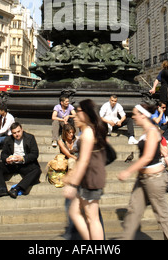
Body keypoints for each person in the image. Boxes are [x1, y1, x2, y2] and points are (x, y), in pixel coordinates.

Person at [118, 103, 168, 240]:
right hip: (143, 178)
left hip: (154, 179)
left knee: (162, 215)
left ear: (143, 115)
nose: (132, 117)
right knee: (133, 211)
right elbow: (159, 150)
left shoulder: (151, 131)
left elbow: (148, 157)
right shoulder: (147, 131)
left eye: (135, 114)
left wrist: (128, 171)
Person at [63, 99, 107, 240]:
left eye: (78, 112)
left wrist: (73, 183)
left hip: (91, 179)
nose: (75, 115)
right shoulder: (88, 131)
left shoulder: (88, 133)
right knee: (76, 212)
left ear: (86, 113)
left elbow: (84, 161)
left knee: (92, 218)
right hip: (87, 178)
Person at [0, 122, 41, 198]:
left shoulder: (30, 138)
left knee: (36, 170)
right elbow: (3, 153)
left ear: (22, 130)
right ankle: (1, 189)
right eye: (14, 133)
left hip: (25, 164)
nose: (17, 134)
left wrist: (23, 158)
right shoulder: (8, 139)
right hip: (12, 164)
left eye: (18, 131)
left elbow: (34, 154)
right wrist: (6, 159)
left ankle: (17, 188)